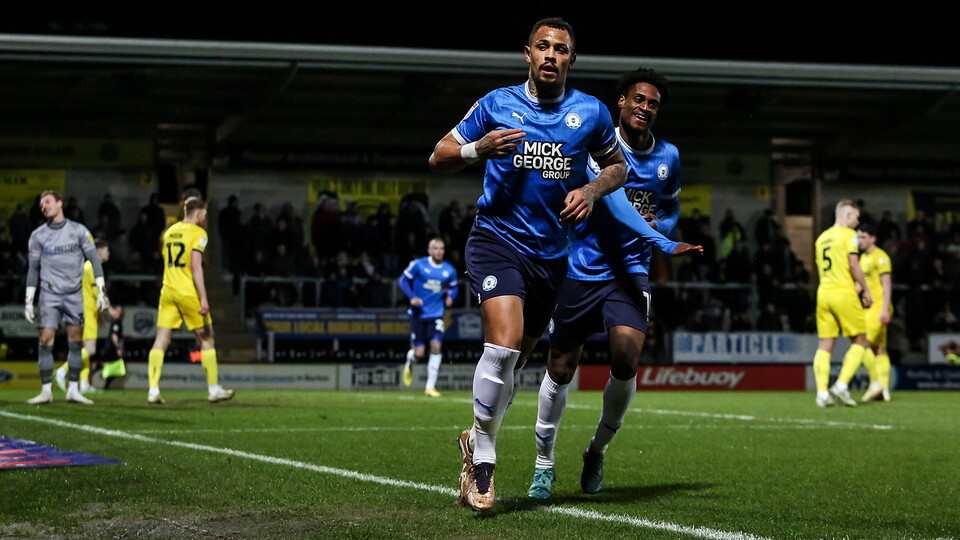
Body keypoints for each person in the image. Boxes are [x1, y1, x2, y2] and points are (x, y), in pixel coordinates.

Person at [429, 17, 628, 511]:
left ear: (571, 60)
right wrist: (479, 148)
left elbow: (619, 166)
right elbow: (439, 155)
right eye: (543, 47)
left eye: (561, 49)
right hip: (496, 239)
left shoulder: (593, 112)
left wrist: (590, 188)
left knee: (515, 360)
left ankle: (475, 437)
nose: (551, 56)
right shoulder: (497, 103)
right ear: (528, 54)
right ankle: (485, 463)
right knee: (505, 344)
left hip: (552, 256)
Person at [525, 67, 701, 499]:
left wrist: (664, 223)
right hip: (580, 268)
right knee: (560, 367)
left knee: (626, 359)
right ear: (621, 102)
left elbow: (671, 205)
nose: (645, 108)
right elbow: (617, 205)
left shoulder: (669, 158)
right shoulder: (596, 147)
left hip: (629, 273)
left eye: (653, 104)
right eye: (638, 99)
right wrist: (660, 238)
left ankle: (597, 450)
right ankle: (543, 463)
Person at [23, 191, 109, 405]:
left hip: (73, 295)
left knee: (76, 342)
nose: (44, 206)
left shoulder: (79, 231)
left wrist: (101, 290)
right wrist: (28, 300)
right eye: (41, 203)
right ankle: (45, 391)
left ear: (59, 203)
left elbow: (94, 261)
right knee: (45, 340)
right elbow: (33, 269)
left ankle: (73, 390)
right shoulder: (37, 235)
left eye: (48, 202)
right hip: (49, 295)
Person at [147, 198, 234, 404]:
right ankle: (213, 389)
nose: (205, 218)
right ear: (200, 213)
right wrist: (203, 298)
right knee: (206, 339)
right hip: (187, 292)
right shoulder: (198, 233)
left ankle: (153, 390)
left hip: (168, 291)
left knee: (161, 339)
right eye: (204, 214)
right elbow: (196, 266)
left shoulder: (169, 231)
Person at [812, 199, 872, 407]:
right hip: (843, 292)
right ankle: (841, 385)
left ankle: (821, 393)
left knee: (825, 345)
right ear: (846, 216)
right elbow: (853, 264)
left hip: (823, 293)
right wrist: (865, 288)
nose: (857, 222)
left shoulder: (821, 238)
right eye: (856, 217)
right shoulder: (848, 235)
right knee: (861, 340)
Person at [399, 238, 459, 397]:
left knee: (436, 347)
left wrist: (451, 297)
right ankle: (409, 362)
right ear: (429, 250)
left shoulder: (449, 270)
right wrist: (411, 296)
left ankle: (430, 387)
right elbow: (403, 280)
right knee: (419, 353)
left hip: (436, 314)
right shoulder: (418, 264)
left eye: (442, 248)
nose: (439, 251)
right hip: (418, 314)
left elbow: (453, 287)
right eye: (435, 248)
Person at [54, 239, 115, 394]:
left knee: (84, 349)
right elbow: (98, 294)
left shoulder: (85, 266)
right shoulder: (93, 267)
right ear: (99, 252)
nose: (109, 253)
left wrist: (99, 314)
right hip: (87, 313)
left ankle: (84, 384)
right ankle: (63, 370)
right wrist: (110, 309)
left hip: (83, 311)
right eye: (107, 250)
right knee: (90, 349)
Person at [855, 222, 893, 402]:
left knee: (862, 345)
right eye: (858, 237)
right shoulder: (862, 259)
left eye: (863, 237)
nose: (859, 240)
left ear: (873, 238)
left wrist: (885, 309)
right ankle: (884, 391)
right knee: (880, 350)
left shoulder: (881, 257)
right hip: (867, 309)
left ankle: (876, 383)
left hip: (879, 308)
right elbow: (859, 285)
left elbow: (887, 285)